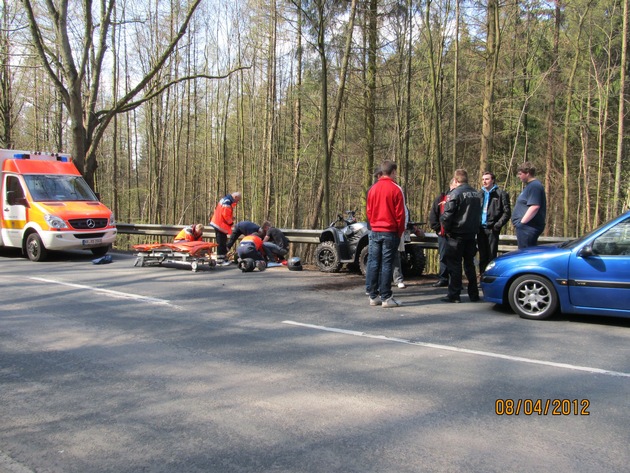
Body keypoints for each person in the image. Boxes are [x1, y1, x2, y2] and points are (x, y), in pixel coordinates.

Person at [366, 160, 406, 308]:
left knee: (373, 262)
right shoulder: (395, 189)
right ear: (393, 172)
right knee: (387, 263)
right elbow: (400, 215)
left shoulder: (373, 189)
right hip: (390, 231)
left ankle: (372, 295)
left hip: (375, 230)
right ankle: (386, 297)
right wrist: (399, 232)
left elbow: (369, 211)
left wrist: (374, 225)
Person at [440, 169, 481, 303]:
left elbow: (447, 215)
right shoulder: (476, 194)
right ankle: (474, 294)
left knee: (454, 265)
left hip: (456, 235)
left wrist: (446, 229)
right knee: (470, 264)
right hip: (471, 234)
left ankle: (454, 294)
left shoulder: (455, 193)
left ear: (456, 180)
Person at [477, 171, 511, 276]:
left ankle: (491, 276)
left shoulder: (501, 194)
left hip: (492, 229)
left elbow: (507, 212)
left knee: (491, 255)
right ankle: (482, 276)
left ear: (492, 180)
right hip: (480, 229)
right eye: (483, 179)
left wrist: (497, 225)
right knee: (482, 255)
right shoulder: (479, 194)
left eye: (487, 179)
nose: (484, 181)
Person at [511, 162, 546, 249]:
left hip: (528, 228)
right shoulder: (529, 186)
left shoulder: (535, 186)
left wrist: (522, 223)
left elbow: (535, 206)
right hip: (525, 227)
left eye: (520, 174)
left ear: (528, 173)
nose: (519, 176)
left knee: (525, 254)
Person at [428, 181, 456, 288]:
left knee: (455, 258)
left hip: (455, 234)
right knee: (443, 256)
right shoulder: (441, 198)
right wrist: (437, 228)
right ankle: (443, 278)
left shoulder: (460, 198)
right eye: (454, 185)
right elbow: (433, 214)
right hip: (443, 233)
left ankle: (455, 280)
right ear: (450, 185)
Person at [209, 191, 241, 265]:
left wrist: (230, 218)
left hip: (218, 223)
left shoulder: (226, 199)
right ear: (235, 197)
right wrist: (231, 222)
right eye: (238, 200)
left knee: (223, 241)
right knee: (221, 242)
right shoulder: (227, 202)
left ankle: (223, 259)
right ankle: (220, 261)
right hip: (220, 224)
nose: (237, 201)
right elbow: (225, 215)